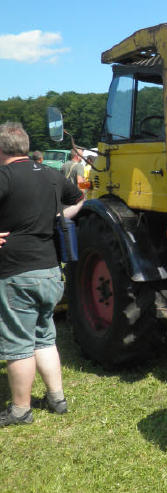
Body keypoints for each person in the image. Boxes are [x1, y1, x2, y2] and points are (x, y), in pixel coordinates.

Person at [0, 122, 84, 427]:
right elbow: (79, 200)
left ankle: (21, 410)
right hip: (50, 272)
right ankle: (56, 398)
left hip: (16, 273)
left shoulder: (4, 176)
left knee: (18, 344)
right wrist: (58, 218)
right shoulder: (51, 174)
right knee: (45, 338)